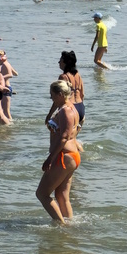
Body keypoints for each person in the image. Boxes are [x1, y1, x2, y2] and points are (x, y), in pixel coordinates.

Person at [37, 80, 81, 223]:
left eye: (52, 96)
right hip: (71, 157)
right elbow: (48, 121)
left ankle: (61, 226)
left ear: (61, 94)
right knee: (62, 195)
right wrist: (53, 107)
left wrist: (50, 159)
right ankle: (69, 225)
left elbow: (64, 137)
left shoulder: (66, 111)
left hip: (64, 157)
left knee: (42, 194)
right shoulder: (69, 107)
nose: (51, 99)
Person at [59, 51, 87, 125]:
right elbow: (82, 94)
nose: (58, 62)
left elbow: (59, 98)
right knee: (73, 136)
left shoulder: (63, 77)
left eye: (60, 60)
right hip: (80, 108)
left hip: (70, 108)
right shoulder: (78, 75)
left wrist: (49, 114)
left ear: (65, 63)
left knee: (61, 134)